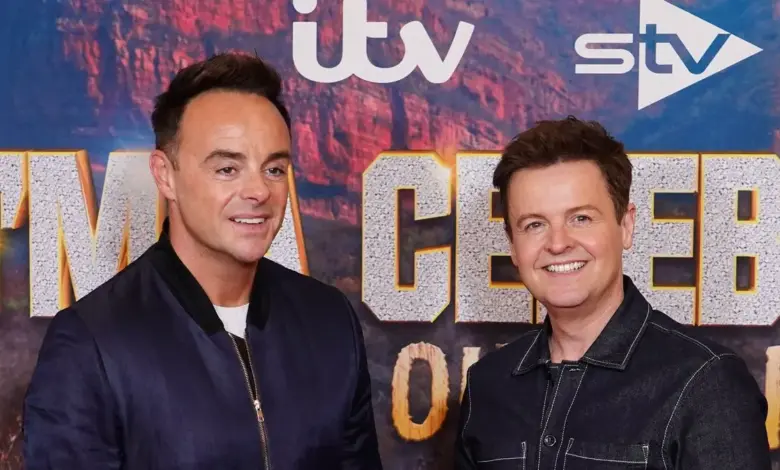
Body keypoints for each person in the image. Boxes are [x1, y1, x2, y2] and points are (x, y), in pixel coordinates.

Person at [23, 52, 383, 469]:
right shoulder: (90, 343)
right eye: (227, 169)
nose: (258, 192)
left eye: (274, 169)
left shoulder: (329, 319)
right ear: (165, 175)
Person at [454, 116, 770, 469]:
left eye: (581, 218)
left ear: (626, 225)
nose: (557, 243)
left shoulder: (706, 382)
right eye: (534, 224)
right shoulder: (487, 384)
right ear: (513, 246)